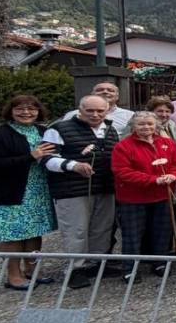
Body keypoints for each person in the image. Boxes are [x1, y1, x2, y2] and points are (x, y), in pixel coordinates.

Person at [0, 95, 58, 290]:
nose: (26, 113)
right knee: (12, 235)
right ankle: (13, 275)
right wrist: (30, 157)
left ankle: (32, 270)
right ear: (11, 111)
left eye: (32, 109)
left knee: (34, 232)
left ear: (39, 111)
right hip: (9, 194)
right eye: (20, 109)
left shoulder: (43, 131)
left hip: (37, 192)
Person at [41, 95, 119, 286]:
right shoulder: (58, 129)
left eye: (100, 111)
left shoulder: (110, 128)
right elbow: (46, 159)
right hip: (72, 189)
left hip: (105, 186)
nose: (95, 114)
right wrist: (72, 165)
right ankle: (75, 268)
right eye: (90, 110)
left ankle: (98, 262)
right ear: (80, 109)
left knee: (102, 228)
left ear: (107, 110)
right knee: (76, 229)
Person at [111, 111, 176, 275]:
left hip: (162, 195)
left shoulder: (168, 143)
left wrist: (174, 175)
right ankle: (130, 268)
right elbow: (122, 171)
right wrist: (153, 179)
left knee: (162, 231)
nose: (146, 127)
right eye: (141, 124)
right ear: (133, 126)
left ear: (156, 125)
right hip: (133, 197)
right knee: (133, 234)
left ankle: (160, 263)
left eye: (150, 124)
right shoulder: (123, 146)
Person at [62, 81, 132, 134]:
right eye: (100, 90)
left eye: (110, 90)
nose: (105, 92)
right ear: (92, 94)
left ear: (117, 97)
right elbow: (61, 133)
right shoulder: (73, 114)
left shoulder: (129, 115)